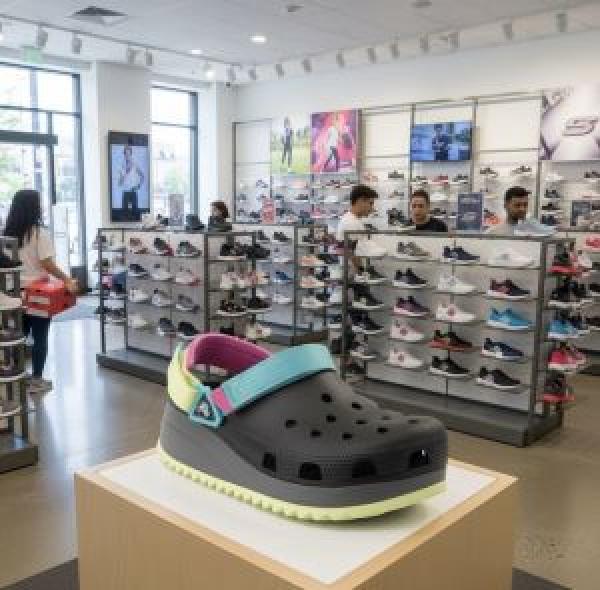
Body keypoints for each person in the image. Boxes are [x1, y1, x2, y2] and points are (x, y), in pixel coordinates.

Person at [3, 190, 78, 394]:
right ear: (33, 207)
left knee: (18, 336)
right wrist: (67, 279)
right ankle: (36, 379)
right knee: (40, 336)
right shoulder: (38, 233)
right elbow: (47, 264)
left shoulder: (7, 233)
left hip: (13, 293)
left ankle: (16, 373)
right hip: (38, 294)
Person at [337, 184, 378, 271]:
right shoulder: (351, 222)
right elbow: (352, 254)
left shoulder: (353, 220)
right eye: (370, 203)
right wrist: (361, 271)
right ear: (360, 201)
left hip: (351, 273)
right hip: (352, 275)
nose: (372, 208)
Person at [118, 145, 144, 215]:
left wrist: (138, 186)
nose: (127, 156)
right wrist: (124, 175)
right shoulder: (121, 166)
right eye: (126, 154)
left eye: (128, 154)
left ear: (131, 154)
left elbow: (142, 176)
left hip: (133, 192)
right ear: (124, 155)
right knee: (125, 214)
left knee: (135, 214)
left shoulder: (135, 164)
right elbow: (119, 183)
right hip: (125, 192)